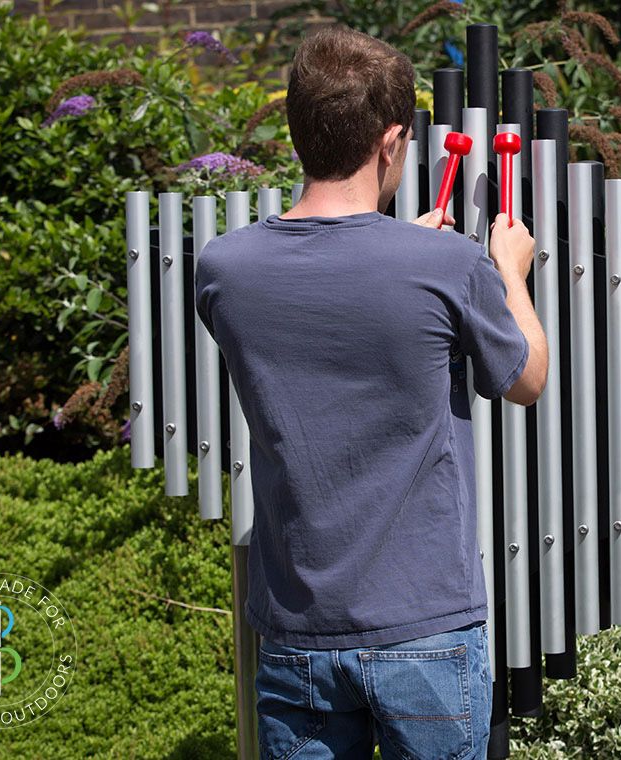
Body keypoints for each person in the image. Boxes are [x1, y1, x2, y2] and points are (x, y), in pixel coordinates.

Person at [195, 23, 548, 760]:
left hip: (298, 636)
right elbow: (525, 379)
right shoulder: (446, 265)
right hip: (426, 629)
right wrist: (507, 271)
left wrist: (404, 255)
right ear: (391, 142)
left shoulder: (224, 270)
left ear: (297, 130)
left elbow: (335, 305)